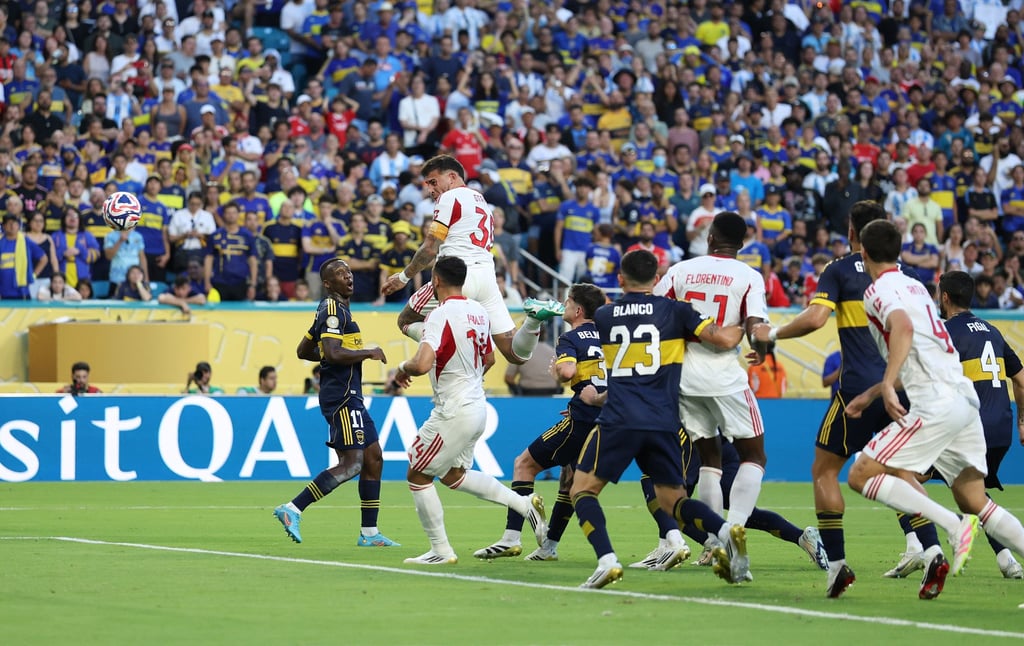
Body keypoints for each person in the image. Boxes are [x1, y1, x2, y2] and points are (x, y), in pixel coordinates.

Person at [750, 200, 940, 598]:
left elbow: (817, 319)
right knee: (902, 474)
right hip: (905, 391)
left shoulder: (839, 269)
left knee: (824, 469)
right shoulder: (910, 278)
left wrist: (775, 334)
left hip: (857, 391)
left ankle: (836, 566)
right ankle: (933, 549)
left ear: (853, 233)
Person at [839, 220, 1024, 600]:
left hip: (935, 404)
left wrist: (886, 383)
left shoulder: (878, 290)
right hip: (964, 402)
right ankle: (975, 538)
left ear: (863, 252)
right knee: (975, 499)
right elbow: (925, 352)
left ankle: (952, 528)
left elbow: (902, 330)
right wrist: (876, 392)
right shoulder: (917, 290)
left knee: (861, 473)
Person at [570, 249, 748, 589]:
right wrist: (749, 323)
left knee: (582, 490)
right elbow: (723, 339)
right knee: (673, 501)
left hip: (619, 418)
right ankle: (726, 531)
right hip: (664, 421)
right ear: (657, 279)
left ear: (620, 279)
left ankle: (606, 561)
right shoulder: (676, 311)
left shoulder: (605, 315)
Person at [392, 256, 547, 565]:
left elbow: (421, 364)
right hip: (478, 406)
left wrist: (401, 368)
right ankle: (524, 505)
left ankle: (441, 550)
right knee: (452, 475)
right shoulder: (478, 311)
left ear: (435, 281)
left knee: (418, 474)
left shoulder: (439, 315)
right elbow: (489, 360)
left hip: (454, 409)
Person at [651, 212, 772, 567]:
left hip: (685, 375)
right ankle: (732, 530)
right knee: (754, 456)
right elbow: (756, 324)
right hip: (724, 375)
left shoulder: (682, 270)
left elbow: (658, 310)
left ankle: (712, 542)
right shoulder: (748, 276)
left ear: (709, 236)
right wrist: (761, 350)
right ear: (743, 243)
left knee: (709, 459)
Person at [380, 155, 562, 367]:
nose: (430, 189)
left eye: (433, 182)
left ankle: (450, 350)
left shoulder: (449, 198)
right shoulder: (482, 201)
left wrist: (403, 277)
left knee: (406, 321)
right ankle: (534, 320)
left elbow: (430, 247)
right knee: (515, 354)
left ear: (452, 176)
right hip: (486, 279)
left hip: (455, 277)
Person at [475, 284, 607, 562]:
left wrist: (559, 370)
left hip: (581, 419)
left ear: (578, 310)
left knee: (524, 464)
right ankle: (548, 548)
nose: (565, 306)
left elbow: (568, 371)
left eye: (568, 302)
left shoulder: (570, 337)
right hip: (606, 419)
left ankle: (511, 538)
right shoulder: (609, 335)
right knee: (569, 481)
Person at [273, 258, 399, 548]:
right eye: (341, 274)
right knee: (352, 463)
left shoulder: (334, 310)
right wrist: (367, 352)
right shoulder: (332, 309)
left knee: (373, 457)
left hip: (349, 393)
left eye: (350, 272)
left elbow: (304, 350)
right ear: (327, 284)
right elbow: (331, 354)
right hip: (342, 395)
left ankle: (369, 533)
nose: (349, 277)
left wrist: (329, 347)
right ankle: (293, 509)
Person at [935, 271, 1024, 579]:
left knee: (901, 476)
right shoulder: (993, 331)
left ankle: (930, 544)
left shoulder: (944, 332)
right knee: (975, 495)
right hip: (1002, 430)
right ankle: (1006, 560)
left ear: (944, 297)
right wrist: (1022, 420)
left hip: (970, 429)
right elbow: (1021, 380)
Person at [503, 328, 562, 396]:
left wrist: (516, 391)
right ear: (545, 335)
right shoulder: (554, 352)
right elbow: (561, 376)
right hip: (552, 393)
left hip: (526, 394)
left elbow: (508, 378)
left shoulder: (520, 352)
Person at [0, 212, 46, 299]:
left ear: (18, 225)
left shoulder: (25, 241)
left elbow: (43, 259)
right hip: (3, 291)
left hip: (22, 291)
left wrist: (33, 275)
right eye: (9, 224)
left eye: (15, 223)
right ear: (4, 226)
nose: (12, 226)